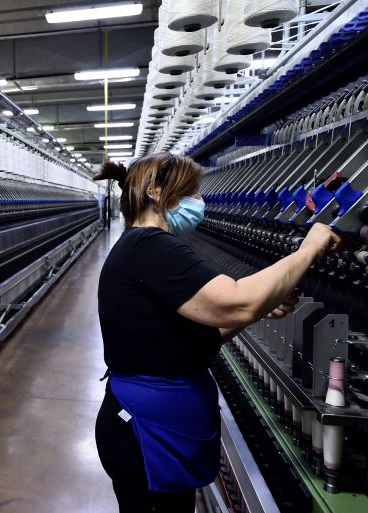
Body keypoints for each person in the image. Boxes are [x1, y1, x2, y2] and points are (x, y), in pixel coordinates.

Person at [92, 153, 342, 513]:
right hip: (144, 434)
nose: (199, 201)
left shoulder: (140, 246)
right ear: (156, 192)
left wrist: (258, 308)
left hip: (152, 428)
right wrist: (308, 249)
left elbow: (189, 335)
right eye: (191, 192)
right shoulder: (151, 247)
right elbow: (237, 302)